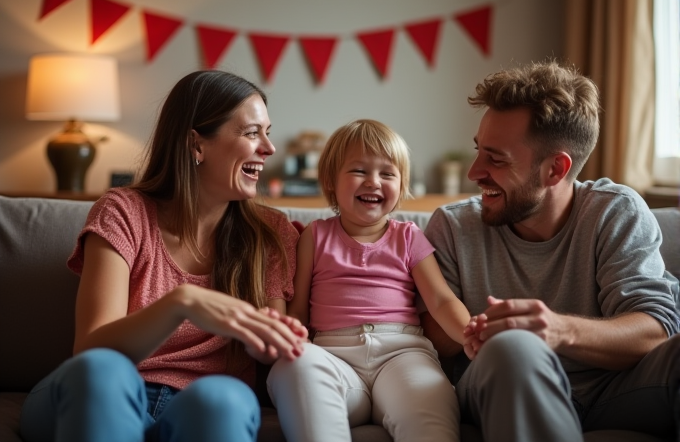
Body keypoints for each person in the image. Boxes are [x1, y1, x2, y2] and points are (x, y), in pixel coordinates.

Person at [19, 70, 308, 442]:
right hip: (102, 394)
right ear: (196, 144)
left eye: (267, 132)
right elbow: (90, 348)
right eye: (252, 133)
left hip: (197, 405)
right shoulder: (123, 212)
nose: (268, 148)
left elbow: (271, 355)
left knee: (225, 400)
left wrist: (266, 336)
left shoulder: (271, 233)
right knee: (103, 372)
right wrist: (181, 303)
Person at [421, 59, 680, 442]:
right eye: (479, 151)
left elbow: (656, 330)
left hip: (616, 392)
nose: (473, 172)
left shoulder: (615, 210)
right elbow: (432, 342)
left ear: (556, 169)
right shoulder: (452, 227)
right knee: (513, 349)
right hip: (507, 383)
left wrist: (558, 330)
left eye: (496, 158)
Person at [267, 119, 472, 442]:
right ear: (331, 182)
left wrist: (470, 334)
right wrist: (286, 333)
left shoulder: (409, 236)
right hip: (334, 358)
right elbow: (299, 311)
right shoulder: (315, 236)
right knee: (294, 367)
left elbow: (441, 299)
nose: (373, 182)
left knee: (429, 404)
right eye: (359, 171)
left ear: (402, 185)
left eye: (387, 174)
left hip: (402, 354)